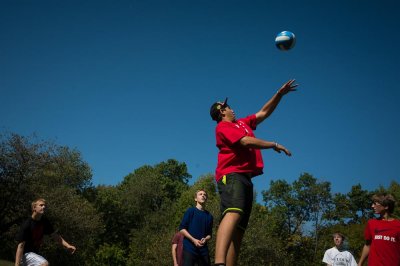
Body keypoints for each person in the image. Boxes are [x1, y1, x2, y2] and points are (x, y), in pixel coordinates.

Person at [210, 79, 298, 266]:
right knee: (233, 213)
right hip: (231, 174)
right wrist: (273, 144)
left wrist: (279, 94)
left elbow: (264, 112)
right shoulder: (223, 127)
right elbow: (245, 142)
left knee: (239, 229)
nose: (233, 109)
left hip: (246, 178)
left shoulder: (242, 123)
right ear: (221, 111)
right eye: (228, 107)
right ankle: (219, 262)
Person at [15, 198, 76, 266]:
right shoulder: (27, 224)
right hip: (24, 255)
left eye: (44, 205)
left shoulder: (44, 221)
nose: (44, 207)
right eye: (41, 205)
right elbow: (20, 246)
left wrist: (68, 246)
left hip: (33, 255)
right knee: (44, 264)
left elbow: (55, 236)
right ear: (34, 207)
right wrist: (17, 264)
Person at [358, 193, 400, 266]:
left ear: (386, 206)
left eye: (375, 204)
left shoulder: (398, 225)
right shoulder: (371, 223)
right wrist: (360, 263)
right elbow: (367, 245)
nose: (372, 206)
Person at [179, 189, 213, 266]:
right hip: (189, 248)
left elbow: (209, 234)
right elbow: (182, 229)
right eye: (200, 194)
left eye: (204, 194)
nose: (203, 196)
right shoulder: (190, 211)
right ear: (195, 198)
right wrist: (193, 240)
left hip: (203, 250)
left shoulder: (209, 216)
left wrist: (206, 239)